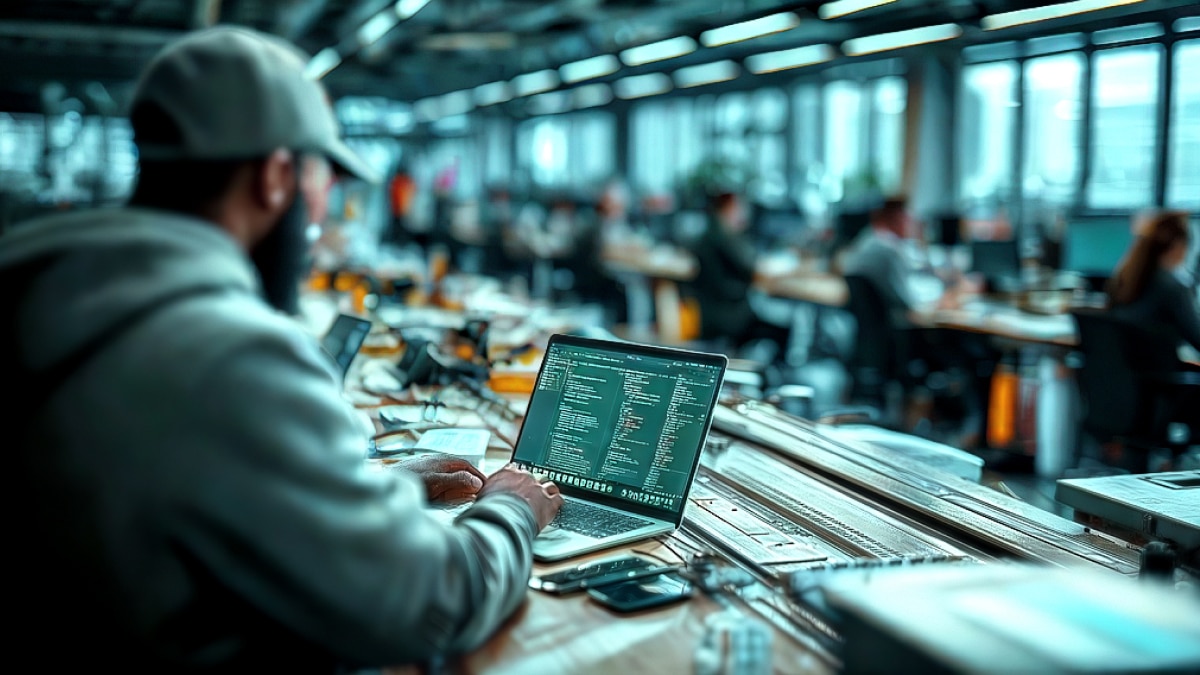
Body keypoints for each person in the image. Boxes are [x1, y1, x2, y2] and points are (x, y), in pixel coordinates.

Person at [0, 27, 562, 672]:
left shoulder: (53, 296)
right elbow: (429, 603)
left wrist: (379, 492)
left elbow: (187, 490)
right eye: (322, 182)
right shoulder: (229, 351)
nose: (322, 210)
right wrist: (513, 509)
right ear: (276, 177)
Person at [1107, 210, 1200, 353]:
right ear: (1178, 245)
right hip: (1156, 373)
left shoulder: (1124, 279)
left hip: (1124, 370)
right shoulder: (1172, 287)